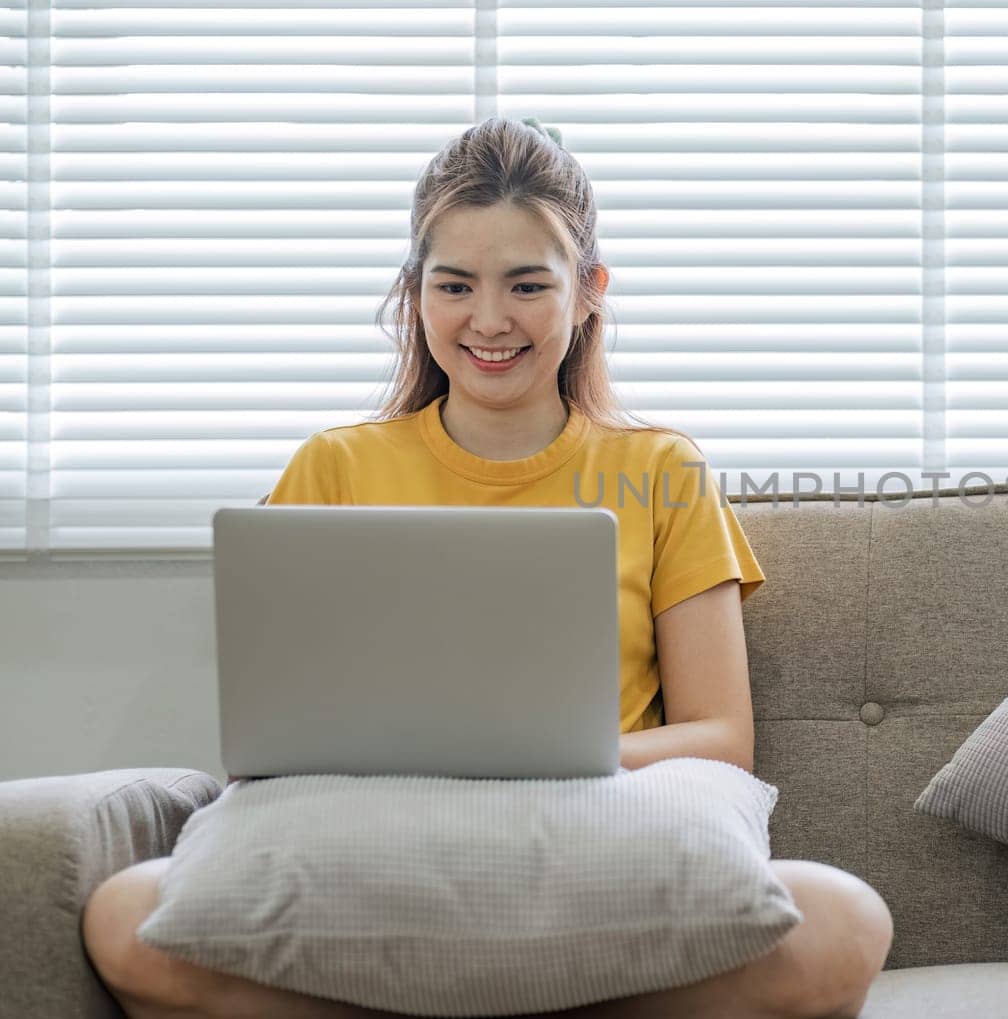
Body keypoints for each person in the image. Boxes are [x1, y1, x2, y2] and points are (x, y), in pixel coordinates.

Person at [79, 115, 894, 1019]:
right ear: (414, 295)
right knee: (123, 913)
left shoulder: (662, 470)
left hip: (591, 841)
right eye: (456, 284)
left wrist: (541, 757)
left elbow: (719, 735)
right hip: (385, 848)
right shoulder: (334, 466)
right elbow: (273, 736)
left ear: (589, 293)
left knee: (844, 920)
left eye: (527, 284)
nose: (490, 319)